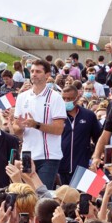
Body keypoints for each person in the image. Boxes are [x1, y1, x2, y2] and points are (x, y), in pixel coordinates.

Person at [13, 60, 66, 189]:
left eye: (38, 71)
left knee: (41, 195)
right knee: (26, 196)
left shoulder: (55, 97)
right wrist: (19, 127)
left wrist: (36, 125)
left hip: (48, 157)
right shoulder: (22, 97)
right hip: (27, 154)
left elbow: (59, 129)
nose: (34, 74)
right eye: (32, 71)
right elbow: (15, 129)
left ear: (47, 75)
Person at [59, 85, 102, 182]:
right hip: (59, 167)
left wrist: (95, 157)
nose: (66, 101)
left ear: (77, 98)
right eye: (63, 98)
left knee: (83, 196)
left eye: (69, 99)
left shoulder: (88, 115)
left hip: (82, 167)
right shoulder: (57, 115)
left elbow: (99, 139)